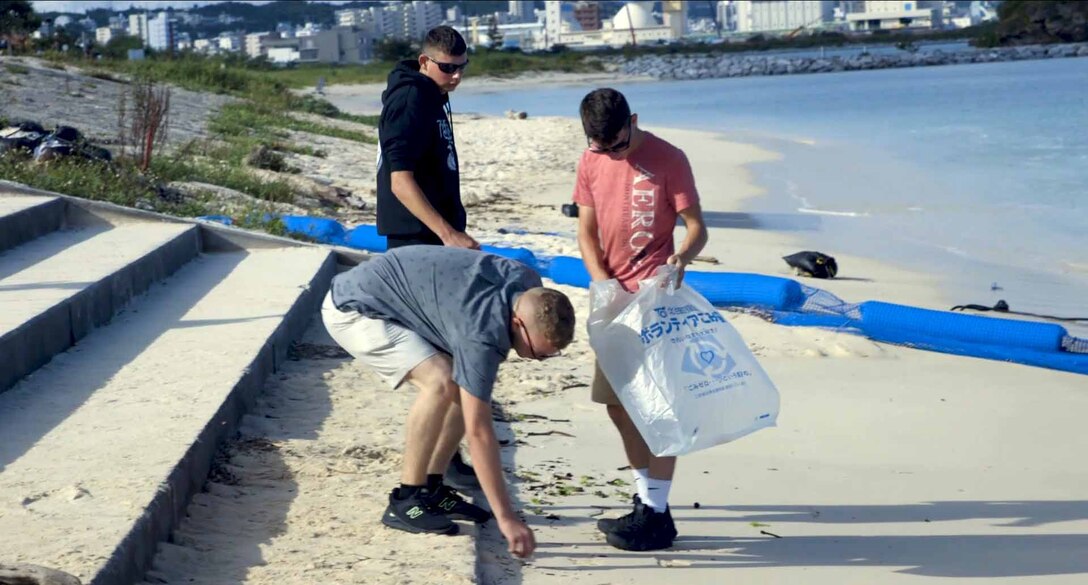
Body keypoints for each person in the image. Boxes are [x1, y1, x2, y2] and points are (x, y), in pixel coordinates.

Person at [321, 246, 576, 558]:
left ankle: (432, 487)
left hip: (392, 289)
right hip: (354, 308)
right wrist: (507, 517)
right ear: (517, 323)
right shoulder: (481, 334)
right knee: (441, 381)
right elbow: (479, 432)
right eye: (537, 353)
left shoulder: (527, 282)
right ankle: (406, 499)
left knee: (462, 382)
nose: (539, 359)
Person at [573, 88, 709, 551]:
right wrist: (600, 281)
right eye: (601, 146)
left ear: (633, 120)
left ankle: (658, 512)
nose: (611, 154)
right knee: (616, 403)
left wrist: (679, 260)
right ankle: (645, 499)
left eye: (617, 144)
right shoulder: (591, 160)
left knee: (659, 408)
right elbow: (586, 232)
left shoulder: (669, 158)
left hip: (657, 303)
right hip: (613, 301)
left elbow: (696, 229)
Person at [376, 25, 478, 251]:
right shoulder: (409, 100)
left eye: (462, 67)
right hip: (415, 237)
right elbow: (400, 182)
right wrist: (448, 234)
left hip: (434, 234)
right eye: (448, 67)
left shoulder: (433, 96)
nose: (457, 76)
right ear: (424, 61)